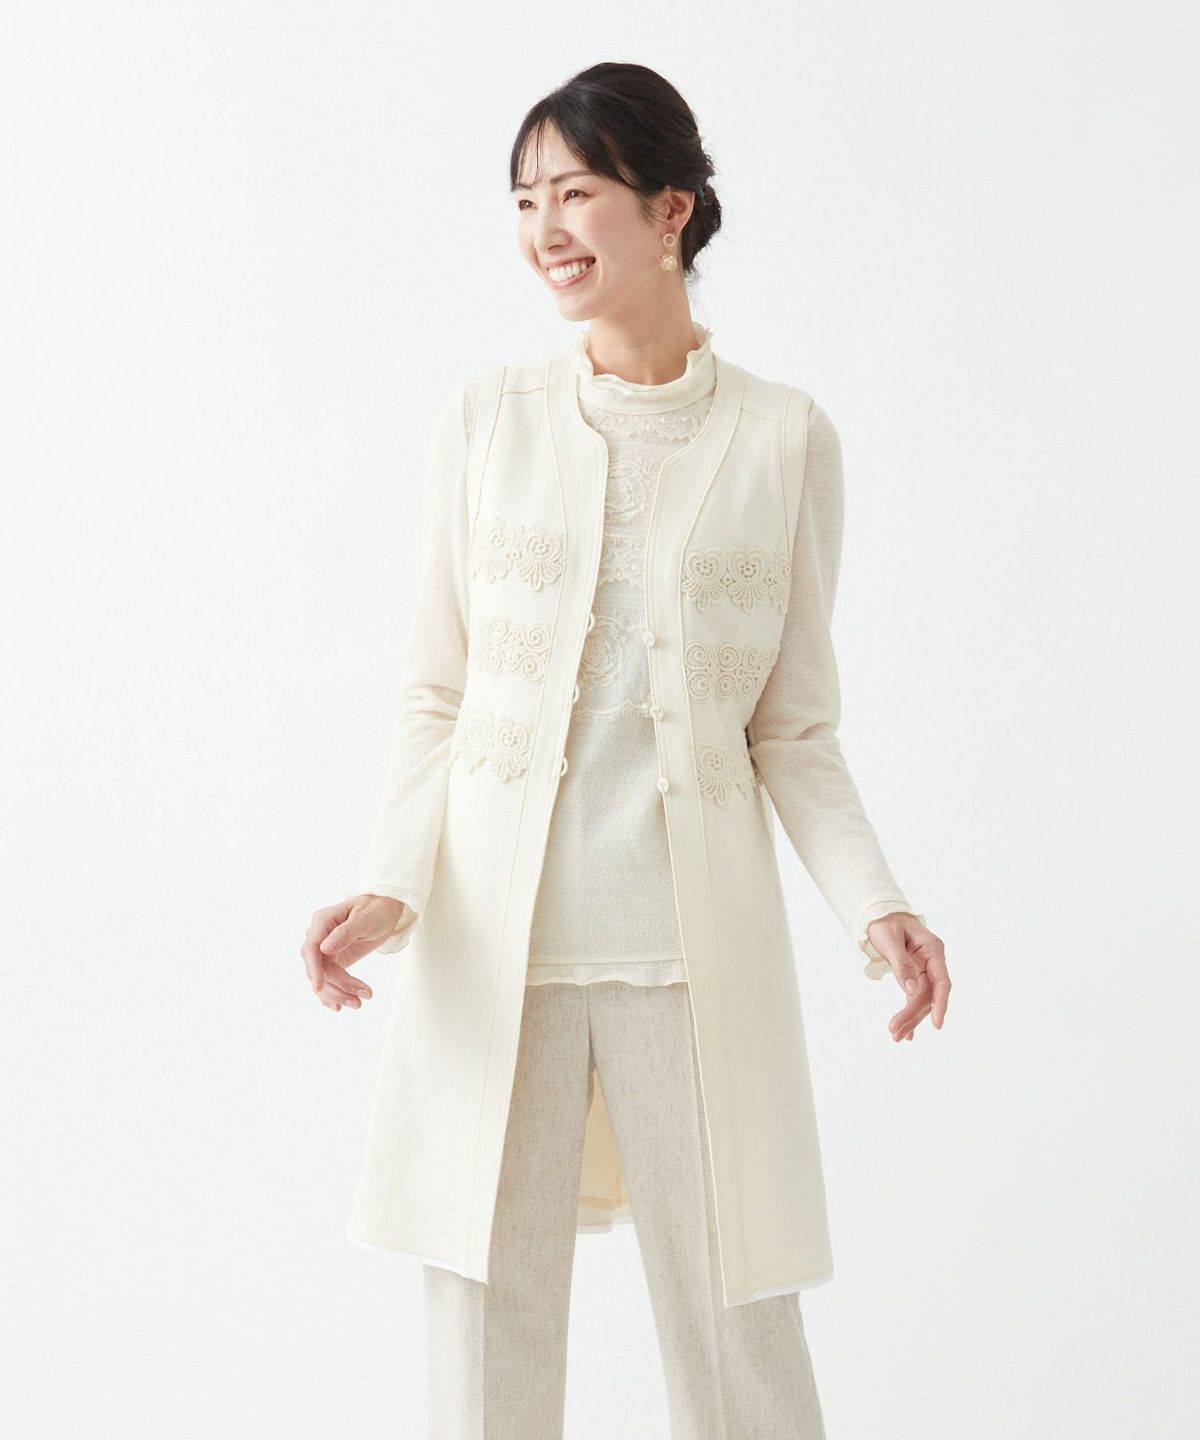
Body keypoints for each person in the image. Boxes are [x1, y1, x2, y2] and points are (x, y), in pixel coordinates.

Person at [301, 61, 950, 1440]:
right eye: (524, 199)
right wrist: (389, 885)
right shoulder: (488, 421)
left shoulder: (783, 438)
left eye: (575, 192)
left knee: (736, 1330)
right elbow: (437, 690)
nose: (544, 228)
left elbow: (794, 726)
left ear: (671, 209)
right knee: (485, 1336)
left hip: (689, 952)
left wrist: (877, 905)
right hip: (496, 949)